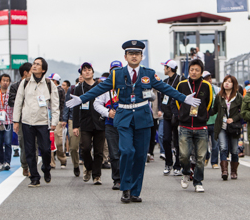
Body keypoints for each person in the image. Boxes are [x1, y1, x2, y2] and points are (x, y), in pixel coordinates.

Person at [66, 40, 201, 203]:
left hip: (143, 116)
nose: (134, 56)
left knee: (139, 155)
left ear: (141, 56)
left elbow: (165, 88)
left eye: (137, 53)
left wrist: (184, 98)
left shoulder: (149, 74)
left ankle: (135, 191)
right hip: (123, 116)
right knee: (127, 151)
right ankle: (125, 188)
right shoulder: (116, 74)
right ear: (125, 56)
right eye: (131, 53)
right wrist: (81, 99)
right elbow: (98, 89)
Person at [13, 57, 60, 187]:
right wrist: (16, 121)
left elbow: (55, 106)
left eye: (37, 64)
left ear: (43, 69)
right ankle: (34, 177)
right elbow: (18, 102)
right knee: (29, 150)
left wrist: (54, 122)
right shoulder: (25, 83)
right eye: (34, 63)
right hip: (27, 122)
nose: (34, 66)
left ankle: (46, 168)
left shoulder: (50, 85)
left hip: (43, 123)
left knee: (45, 149)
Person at [176, 59, 212, 193]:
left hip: (201, 126)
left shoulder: (206, 86)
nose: (194, 72)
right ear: (188, 71)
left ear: (201, 72)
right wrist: (183, 115)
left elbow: (208, 104)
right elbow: (177, 102)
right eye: (192, 70)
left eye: (197, 70)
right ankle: (186, 172)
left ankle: (198, 181)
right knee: (184, 155)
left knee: (201, 157)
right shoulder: (181, 85)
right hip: (185, 125)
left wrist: (203, 116)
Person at [73, 62, 106, 185]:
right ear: (81, 73)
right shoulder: (78, 88)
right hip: (85, 123)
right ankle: (89, 167)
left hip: (99, 122)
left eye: (89, 69)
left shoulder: (100, 86)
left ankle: (97, 176)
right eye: (84, 70)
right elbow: (75, 108)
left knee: (98, 151)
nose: (87, 71)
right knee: (85, 148)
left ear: (93, 72)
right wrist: (75, 126)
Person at [94, 60, 123, 189]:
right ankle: (117, 180)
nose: (116, 72)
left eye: (118, 70)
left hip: (126, 125)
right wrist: (107, 112)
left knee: (126, 152)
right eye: (113, 70)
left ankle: (128, 177)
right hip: (110, 124)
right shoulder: (105, 87)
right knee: (114, 153)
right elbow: (96, 104)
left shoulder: (128, 85)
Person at [211, 75, 242, 180]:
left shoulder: (238, 97)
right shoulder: (219, 96)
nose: (227, 83)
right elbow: (214, 110)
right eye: (225, 81)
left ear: (234, 84)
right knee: (223, 148)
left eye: (229, 81)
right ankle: (224, 171)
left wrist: (234, 118)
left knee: (234, 150)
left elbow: (243, 112)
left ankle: (234, 171)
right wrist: (203, 112)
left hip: (234, 127)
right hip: (222, 126)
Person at [8, 62, 34, 176]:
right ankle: (25, 165)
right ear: (25, 73)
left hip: (35, 118)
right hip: (22, 119)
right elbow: (11, 101)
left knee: (35, 144)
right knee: (23, 143)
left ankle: (32, 167)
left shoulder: (36, 85)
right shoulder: (15, 86)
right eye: (32, 71)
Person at [160, 59, 185, 176]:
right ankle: (168, 163)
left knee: (178, 142)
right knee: (165, 139)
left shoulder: (181, 80)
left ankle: (178, 165)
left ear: (169, 68)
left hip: (178, 116)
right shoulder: (164, 81)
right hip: (167, 116)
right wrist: (161, 110)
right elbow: (161, 98)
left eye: (165, 67)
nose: (164, 69)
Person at [48, 73, 68, 169]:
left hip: (58, 119)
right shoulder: (47, 89)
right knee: (50, 141)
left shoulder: (60, 90)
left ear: (55, 81)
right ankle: (51, 162)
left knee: (59, 142)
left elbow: (62, 105)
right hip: (47, 118)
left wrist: (64, 118)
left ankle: (62, 159)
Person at [202, 71, 220, 169]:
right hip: (204, 121)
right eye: (206, 79)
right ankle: (206, 157)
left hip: (215, 121)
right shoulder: (201, 90)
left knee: (215, 144)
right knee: (203, 144)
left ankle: (214, 162)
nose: (209, 80)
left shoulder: (216, 90)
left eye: (210, 78)